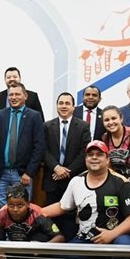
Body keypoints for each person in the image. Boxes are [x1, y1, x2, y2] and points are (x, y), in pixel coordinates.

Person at [43, 141, 130, 259]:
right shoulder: (76, 181)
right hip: (85, 238)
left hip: (115, 236)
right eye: (90, 155)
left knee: (126, 247)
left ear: (107, 159)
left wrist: (111, 235)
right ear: (85, 159)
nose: (94, 157)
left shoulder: (121, 182)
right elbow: (62, 206)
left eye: (99, 154)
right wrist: (35, 211)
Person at [42, 92, 90, 241]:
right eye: (61, 103)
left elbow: (84, 152)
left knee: (70, 220)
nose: (64, 106)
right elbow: (43, 150)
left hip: (73, 180)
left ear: (73, 107)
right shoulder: (47, 126)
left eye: (67, 103)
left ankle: (69, 249)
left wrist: (67, 171)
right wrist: (56, 167)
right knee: (51, 221)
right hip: (52, 179)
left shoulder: (83, 126)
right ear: (57, 106)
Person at [0, 82, 45, 206]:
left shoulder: (34, 116)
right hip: (1, 174)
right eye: (11, 95)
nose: (13, 97)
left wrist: (29, 172)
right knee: (0, 209)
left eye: (17, 94)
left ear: (25, 96)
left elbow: (39, 147)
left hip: (22, 175)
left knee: (20, 208)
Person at [0, 183, 64, 259]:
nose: (15, 209)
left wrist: (42, 247)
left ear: (28, 204)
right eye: (11, 205)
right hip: (14, 249)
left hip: (35, 250)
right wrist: (0, 256)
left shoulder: (38, 214)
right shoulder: (0, 216)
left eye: (20, 206)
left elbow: (60, 237)